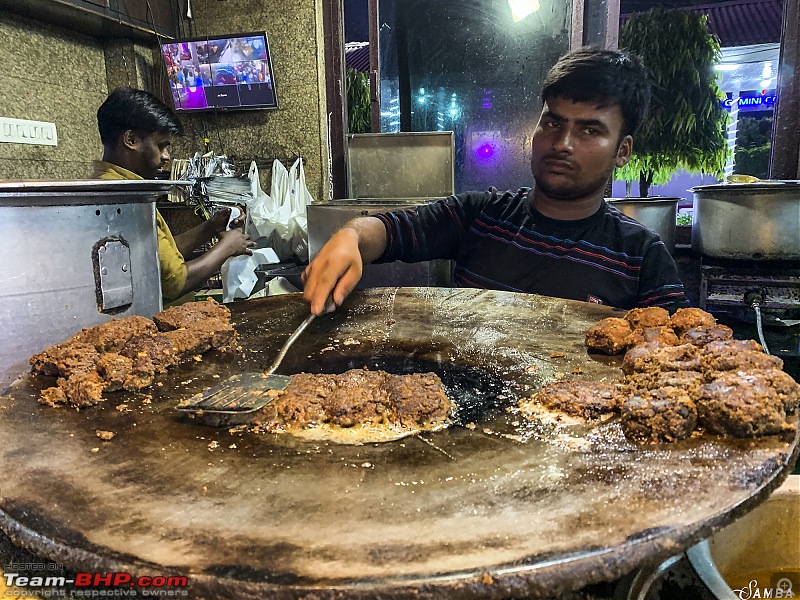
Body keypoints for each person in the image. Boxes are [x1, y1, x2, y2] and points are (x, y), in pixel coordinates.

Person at [303, 47, 690, 316]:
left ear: (622, 150)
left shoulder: (641, 256)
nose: (562, 144)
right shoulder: (483, 215)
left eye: (589, 130)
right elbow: (392, 229)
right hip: (465, 424)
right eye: (553, 122)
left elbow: (676, 355)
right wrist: (350, 237)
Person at [92, 87, 254, 304]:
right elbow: (175, 282)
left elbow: (159, 258)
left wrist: (210, 228)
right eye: (161, 146)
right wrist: (227, 247)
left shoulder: (119, 186)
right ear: (131, 139)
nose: (167, 157)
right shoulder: (122, 197)